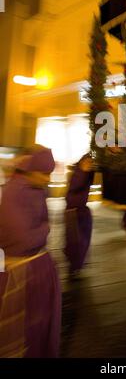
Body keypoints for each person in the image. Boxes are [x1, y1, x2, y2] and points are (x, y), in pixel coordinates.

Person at [0, 145, 61, 358]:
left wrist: (42, 230)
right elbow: (23, 239)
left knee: (38, 326)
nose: (47, 179)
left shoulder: (37, 189)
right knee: (24, 330)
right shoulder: (13, 193)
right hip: (21, 273)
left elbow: (44, 224)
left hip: (35, 267)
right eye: (44, 174)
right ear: (31, 170)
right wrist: (44, 230)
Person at [64, 153, 95, 279]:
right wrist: (84, 171)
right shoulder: (77, 174)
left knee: (84, 240)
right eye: (86, 162)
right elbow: (76, 186)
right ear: (81, 162)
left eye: (90, 163)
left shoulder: (86, 174)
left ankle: (78, 264)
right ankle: (73, 266)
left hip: (83, 211)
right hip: (73, 212)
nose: (88, 165)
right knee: (75, 242)